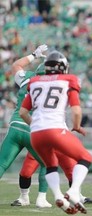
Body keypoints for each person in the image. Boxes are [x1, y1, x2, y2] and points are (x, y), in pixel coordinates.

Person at [11, 62, 92, 207]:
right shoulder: (65, 82)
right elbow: (76, 109)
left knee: (65, 167)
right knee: (30, 170)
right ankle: (68, 193)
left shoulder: (35, 84)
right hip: (57, 132)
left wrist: (34, 125)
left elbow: (22, 112)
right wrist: (77, 126)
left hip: (39, 133)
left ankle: (64, 195)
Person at [0, 44, 51, 208]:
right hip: (33, 129)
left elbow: (15, 65)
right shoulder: (54, 87)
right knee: (47, 164)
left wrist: (34, 55)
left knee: (1, 165)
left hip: (15, 125)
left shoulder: (27, 78)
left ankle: (25, 197)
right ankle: (41, 198)